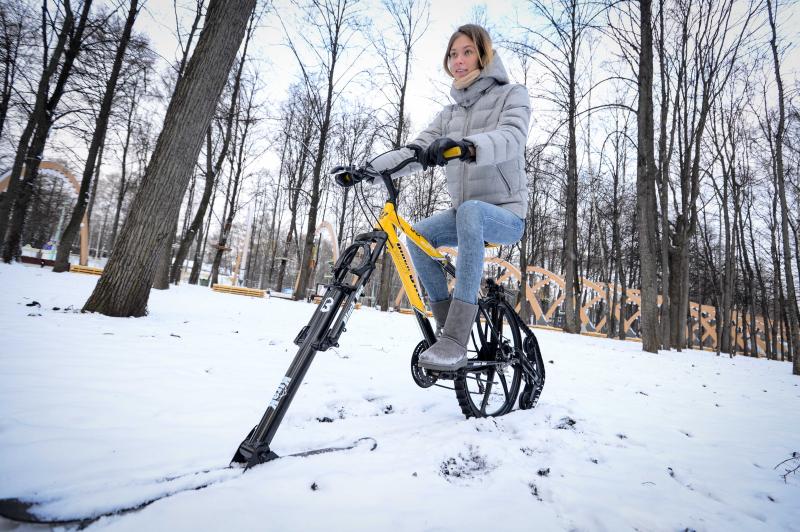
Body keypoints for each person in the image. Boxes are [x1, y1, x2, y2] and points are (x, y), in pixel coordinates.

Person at [364, 24, 530, 372]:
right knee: (419, 234)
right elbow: (414, 151)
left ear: (484, 55)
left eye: (467, 51)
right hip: (466, 216)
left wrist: (469, 147)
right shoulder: (449, 115)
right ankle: (446, 331)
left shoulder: (513, 95)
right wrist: (366, 169)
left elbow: (512, 137)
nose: (459, 60)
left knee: (470, 210)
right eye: (453, 54)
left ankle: (457, 337)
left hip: (506, 216)